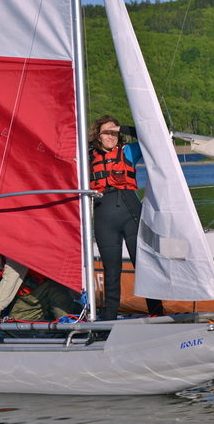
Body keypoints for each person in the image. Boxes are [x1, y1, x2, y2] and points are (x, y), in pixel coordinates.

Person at [88, 114, 164, 320]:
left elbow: (152, 137)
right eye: (107, 132)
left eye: (115, 132)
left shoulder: (129, 151)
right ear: (98, 135)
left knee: (143, 264)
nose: (111, 136)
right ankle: (109, 320)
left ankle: (157, 314)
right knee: (111, 271)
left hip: (131, 213)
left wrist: (123, 129)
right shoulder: (87, 157)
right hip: (104, 218)